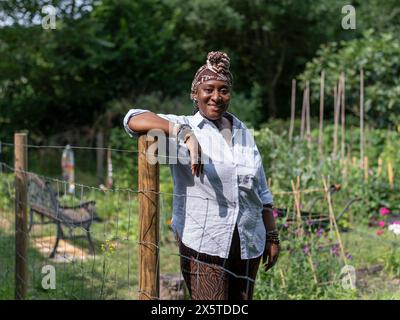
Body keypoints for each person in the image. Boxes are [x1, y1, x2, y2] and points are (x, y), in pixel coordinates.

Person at [123, 51, 280, 300]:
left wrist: (272, 235)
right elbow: (133, 119)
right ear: (195, 93)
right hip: (205, 243)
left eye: (224, 90)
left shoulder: (242, 132)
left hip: (248, 242)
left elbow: (261, 191)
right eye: (209, 89)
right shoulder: (185, 126)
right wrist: (183, 133)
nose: (216, 97)